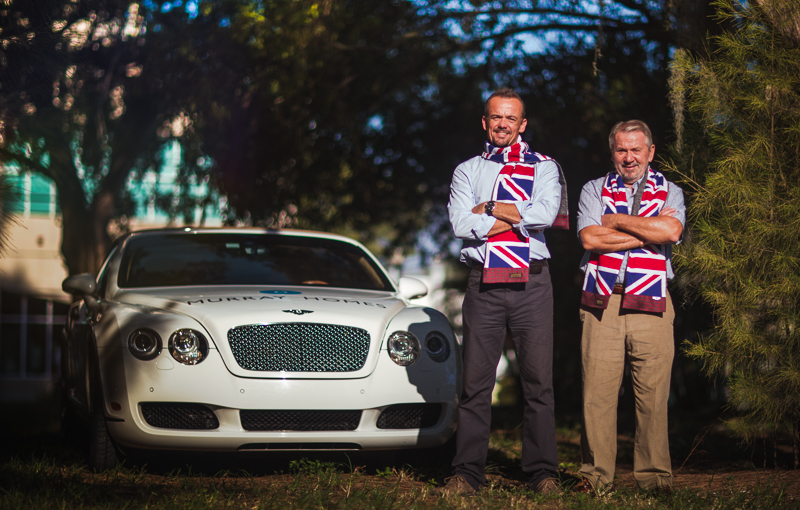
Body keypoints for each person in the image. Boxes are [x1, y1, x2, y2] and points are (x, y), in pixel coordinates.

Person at [437, 87, 568, 496]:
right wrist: (518, 216)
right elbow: (461, 224)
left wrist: (490, 207)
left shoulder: (545, 167)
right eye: (496, 116)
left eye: (511, 118)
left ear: (522, 124)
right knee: (475, 384)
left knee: (538, 384)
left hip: (533, 282)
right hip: (484, 283)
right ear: (485, 121)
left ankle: (542, 474)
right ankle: (467, 473)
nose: (503, 124)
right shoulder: (466, 171)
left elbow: (544, 215)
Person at [574, 120, 685, 493]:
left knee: (652, 395)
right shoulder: (593, 189)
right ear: (613, 153)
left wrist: (618, 221)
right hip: (602, 299)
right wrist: (647, 231)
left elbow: (671, 231)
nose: (629, 157)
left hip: (652, 298)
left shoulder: (671, 191)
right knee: (597, 394)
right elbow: (591, 238)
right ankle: (595, 478)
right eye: (622, 149)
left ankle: (654, 480)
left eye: (636, 149)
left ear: (650, 152)